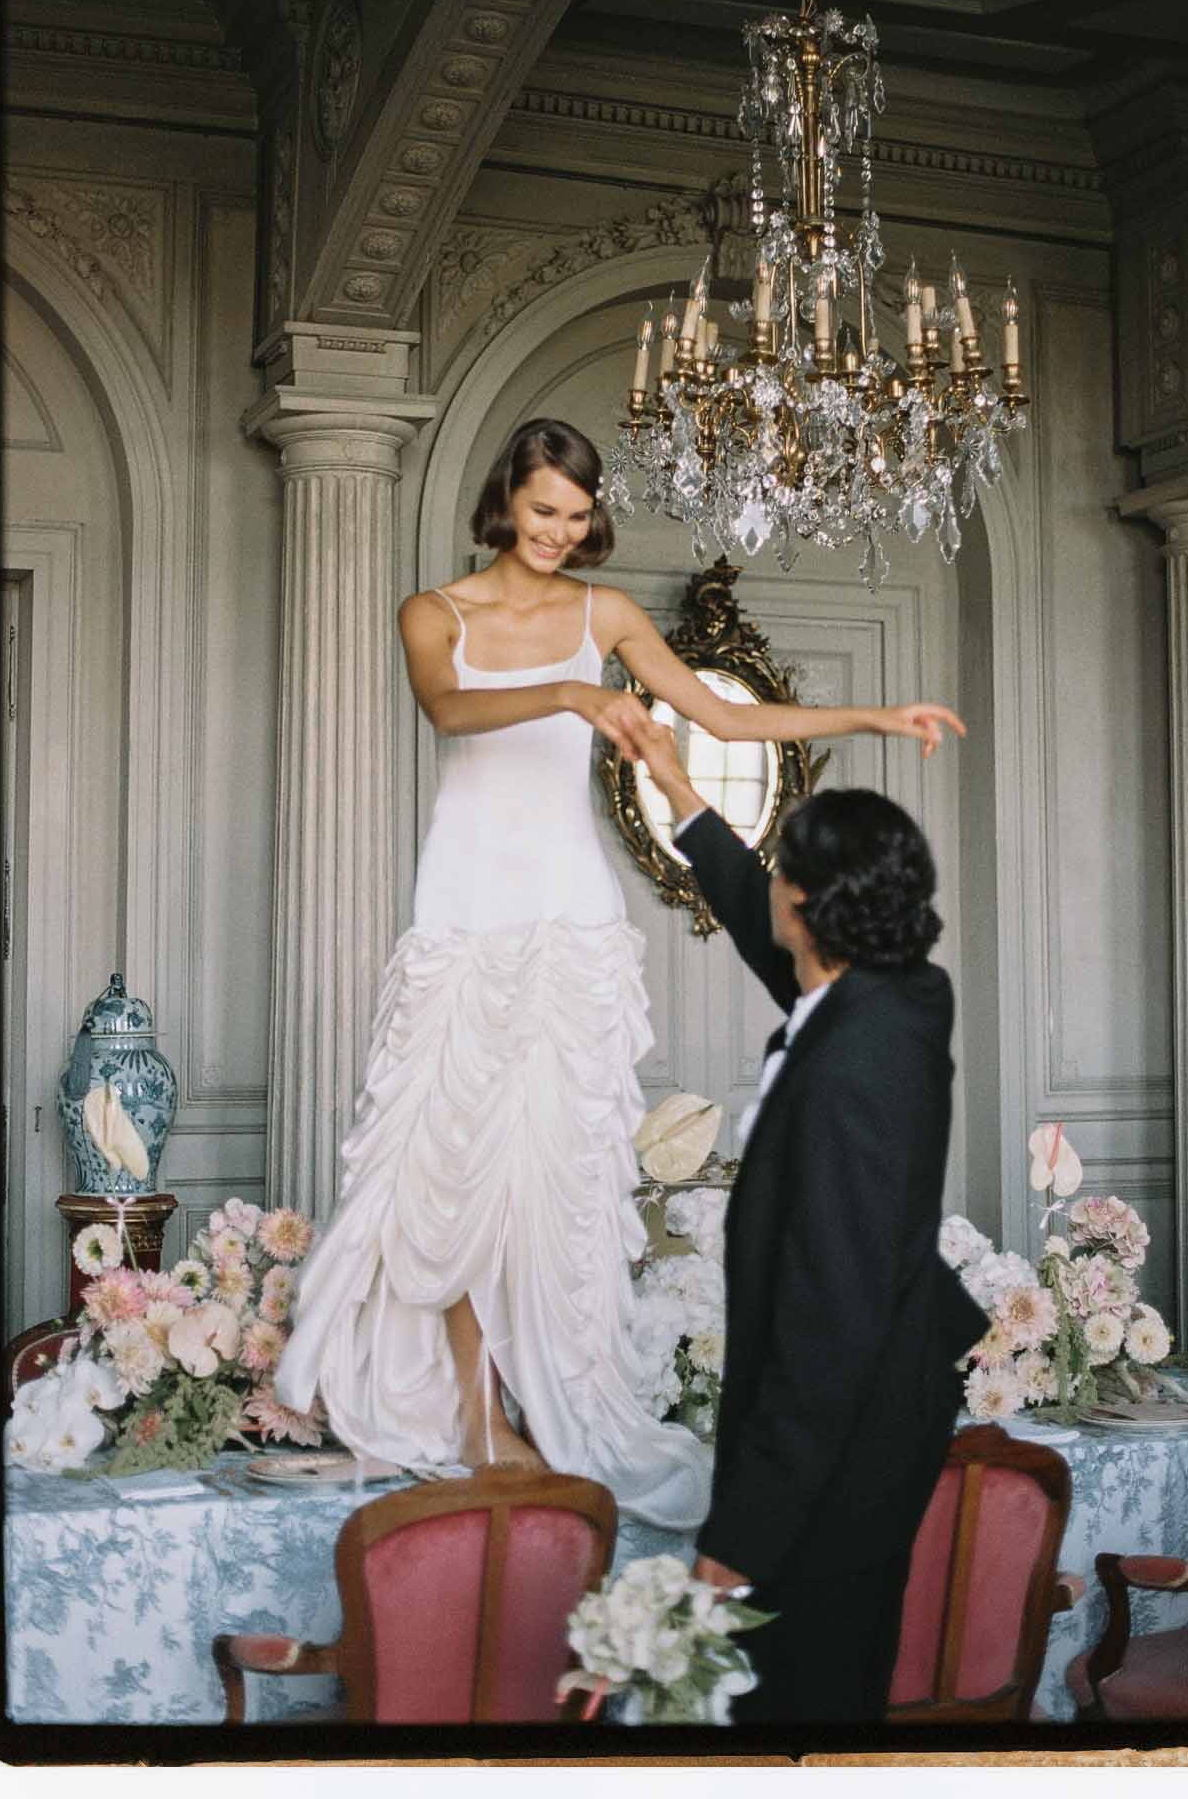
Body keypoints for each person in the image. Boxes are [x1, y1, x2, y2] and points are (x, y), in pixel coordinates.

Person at [276, 415, 964, 1530]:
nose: (559, 531)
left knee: (551, 1171)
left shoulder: (606, 613)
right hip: (464, 908)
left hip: (569, 912)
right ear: (506, 500)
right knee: (446, 1168)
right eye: (543, 509)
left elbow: (726, 715)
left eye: (578, 513)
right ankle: (471, 1411)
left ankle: (553, 1404)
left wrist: (874, 714)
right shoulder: (433, 611)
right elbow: (448, 709)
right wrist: (568, 695)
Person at [632, 714, 989, 1720]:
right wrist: (678, 790)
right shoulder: (893, 990)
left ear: (811, 903)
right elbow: (759, 916)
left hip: (842, 1456)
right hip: (878, 1418)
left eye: (781, 870)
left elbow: (827, 1329)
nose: (773, 890)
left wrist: (733, 1542)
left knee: (807, 1717)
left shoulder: (853, 1069)